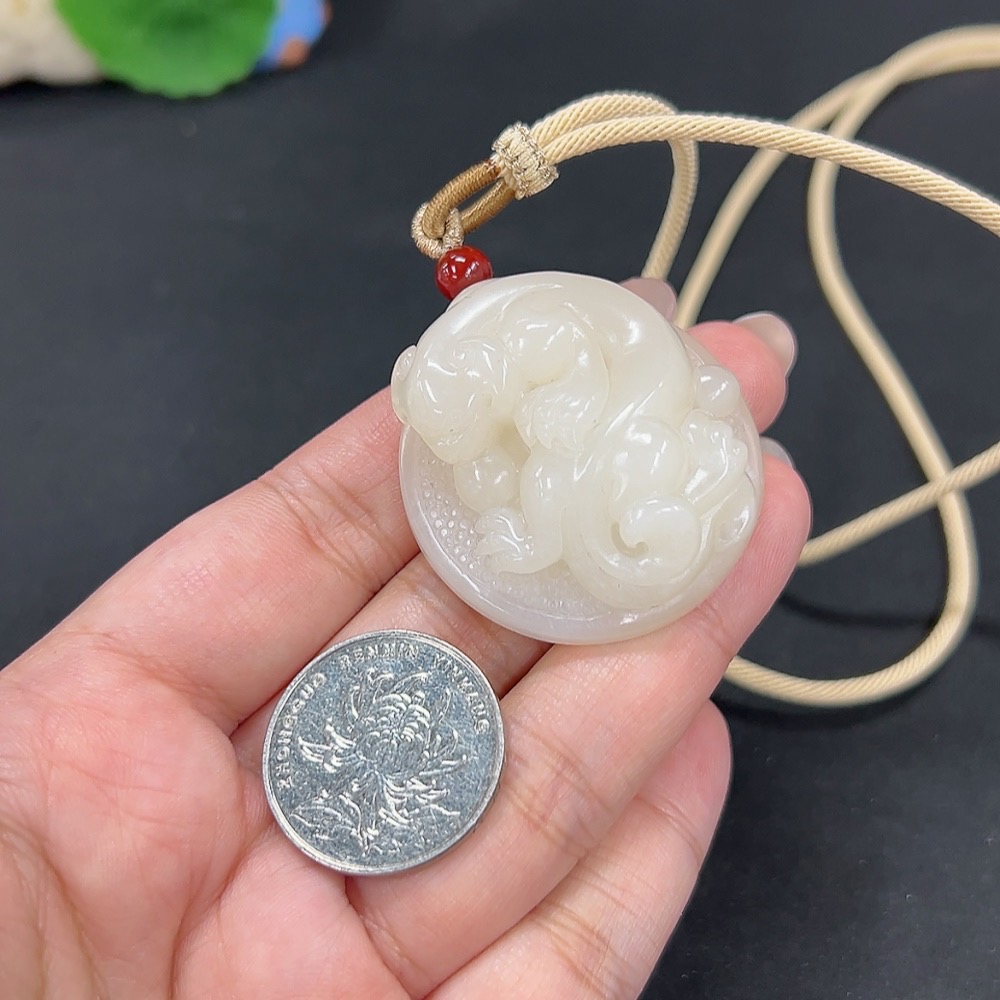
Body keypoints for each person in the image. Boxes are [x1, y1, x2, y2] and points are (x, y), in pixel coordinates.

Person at [0, 280, 808, 999]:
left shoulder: (543, 343)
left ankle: (551, 538)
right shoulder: (485, 366)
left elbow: (568, 374)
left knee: (561, 481)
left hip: (632, 427)